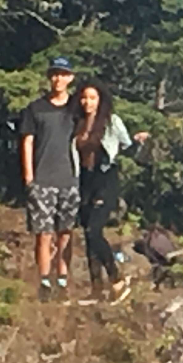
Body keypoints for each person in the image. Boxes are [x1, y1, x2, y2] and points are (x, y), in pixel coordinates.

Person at [73, 79, 149, 304]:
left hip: (106, 180)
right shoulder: (76, 123)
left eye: (93, 98)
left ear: (101, 100)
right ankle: (96, 287)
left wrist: (139, 141)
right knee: (87, 235)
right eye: (84, 97)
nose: (88, 102)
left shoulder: (111, 122)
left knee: (93, 230)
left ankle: (116, 278)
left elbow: (127, 146)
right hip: (84, 182)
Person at [19, 56, 80, 302]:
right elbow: (27, 141)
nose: (58, 79)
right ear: (49, 77)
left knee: (65, 233)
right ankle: (44, 281)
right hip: (42, 180)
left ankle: (63, 280)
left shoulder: (76, 109)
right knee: (43, 234)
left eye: (63, 74)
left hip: (70, 180)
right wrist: (29, 177)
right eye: (55, 74)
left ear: (70, 78)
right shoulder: (36, 108)